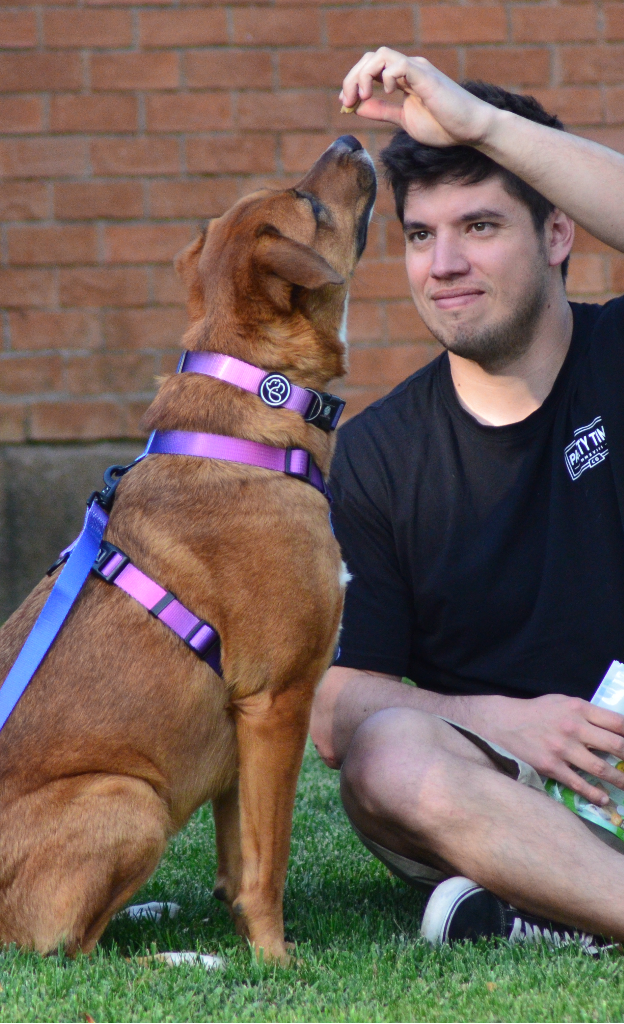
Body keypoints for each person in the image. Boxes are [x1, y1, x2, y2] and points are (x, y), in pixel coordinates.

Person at [310, 47, 624, 949]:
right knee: (387, 758)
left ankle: (547, 912)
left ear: (557, 234)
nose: (443, 264)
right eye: (419, 235)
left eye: (481, 226)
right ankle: (582, 896)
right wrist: (503, 721)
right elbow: (335, 709)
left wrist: (484, 125)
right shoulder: (375, 453)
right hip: (504, 790)